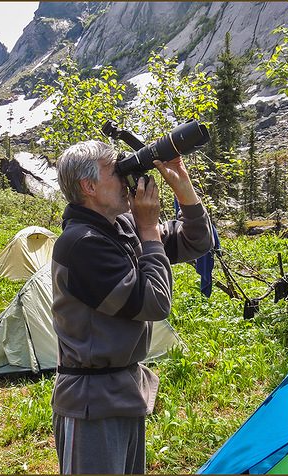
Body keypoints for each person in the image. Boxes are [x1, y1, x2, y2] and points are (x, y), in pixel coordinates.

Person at [51, 140, 214, 474]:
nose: (127, 179)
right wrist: (150, 231)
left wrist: (183, 187)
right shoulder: (81, 244)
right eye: (117, 170)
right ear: (90, 186)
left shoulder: (121, 226)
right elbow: (154, 302)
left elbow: (198, 241)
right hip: (91, 403)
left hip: (124, 393)